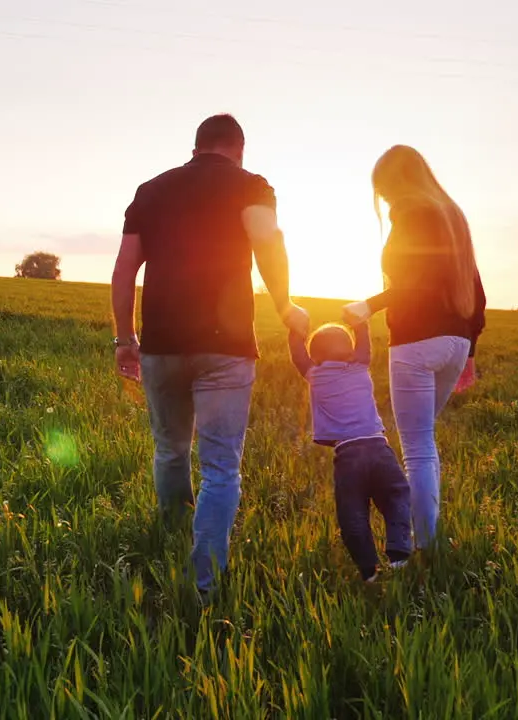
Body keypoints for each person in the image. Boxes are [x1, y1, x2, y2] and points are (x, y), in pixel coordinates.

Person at [110, 113, 310, 598]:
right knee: (221, 465)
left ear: (196, 147)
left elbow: (123, 270)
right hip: (227, 345)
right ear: (238, 150)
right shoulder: (252, 185)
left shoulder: (150, 190)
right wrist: (285, 308)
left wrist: (124, 338)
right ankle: (206, 584)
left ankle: (172, 540)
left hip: (161, 344)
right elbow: (269, 246)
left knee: (170, 450)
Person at [342, 145, 486, 552]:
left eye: (385, 190)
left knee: (418, 449)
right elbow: (476, 289)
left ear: (396, 182)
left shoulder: (411, 212)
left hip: (417, 341)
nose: (385, 200)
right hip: (455, 342)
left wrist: (368, 305)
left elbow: (413, 280)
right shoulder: (452, 214)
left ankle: (422, 544)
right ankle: (422, 531)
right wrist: (470, 351)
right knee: (424, 443)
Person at [287, 321, 412, 582]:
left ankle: (369, 571)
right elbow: (365, 343)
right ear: (350, 351)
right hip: (379, 449)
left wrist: (296, 328)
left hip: (348, 456)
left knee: (352, 512)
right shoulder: (360, 366)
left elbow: (297, 354)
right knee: (397, 495)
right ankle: (399, 551)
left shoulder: (314, 374)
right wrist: (361, 323)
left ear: (316, 356)